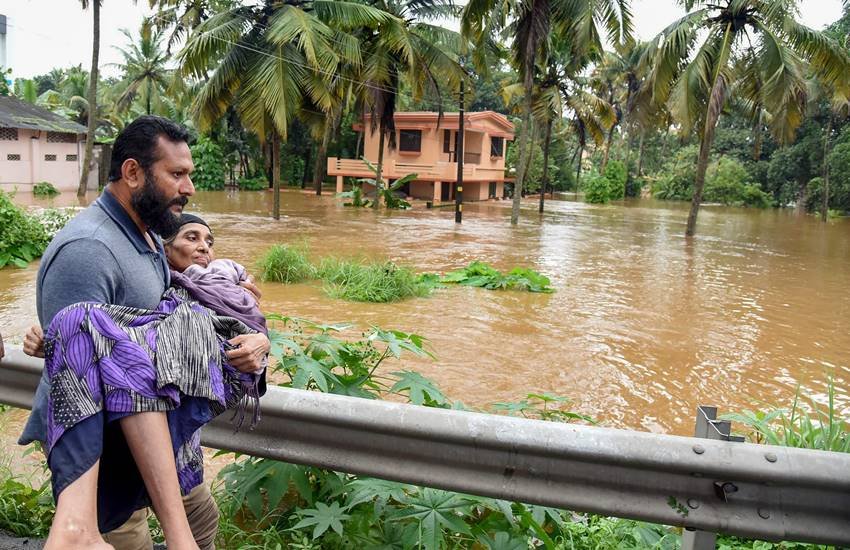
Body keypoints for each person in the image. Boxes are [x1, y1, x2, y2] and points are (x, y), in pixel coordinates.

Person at [18, 115, 267, 550]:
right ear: (133, 173)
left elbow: (180, 322)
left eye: (188, 175)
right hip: (112, 457)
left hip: (166, 443)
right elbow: (73, 375)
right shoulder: (88, 252)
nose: (189, 189)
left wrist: (256, 337)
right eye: (177, 175)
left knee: (202, 526)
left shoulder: (151, 235)